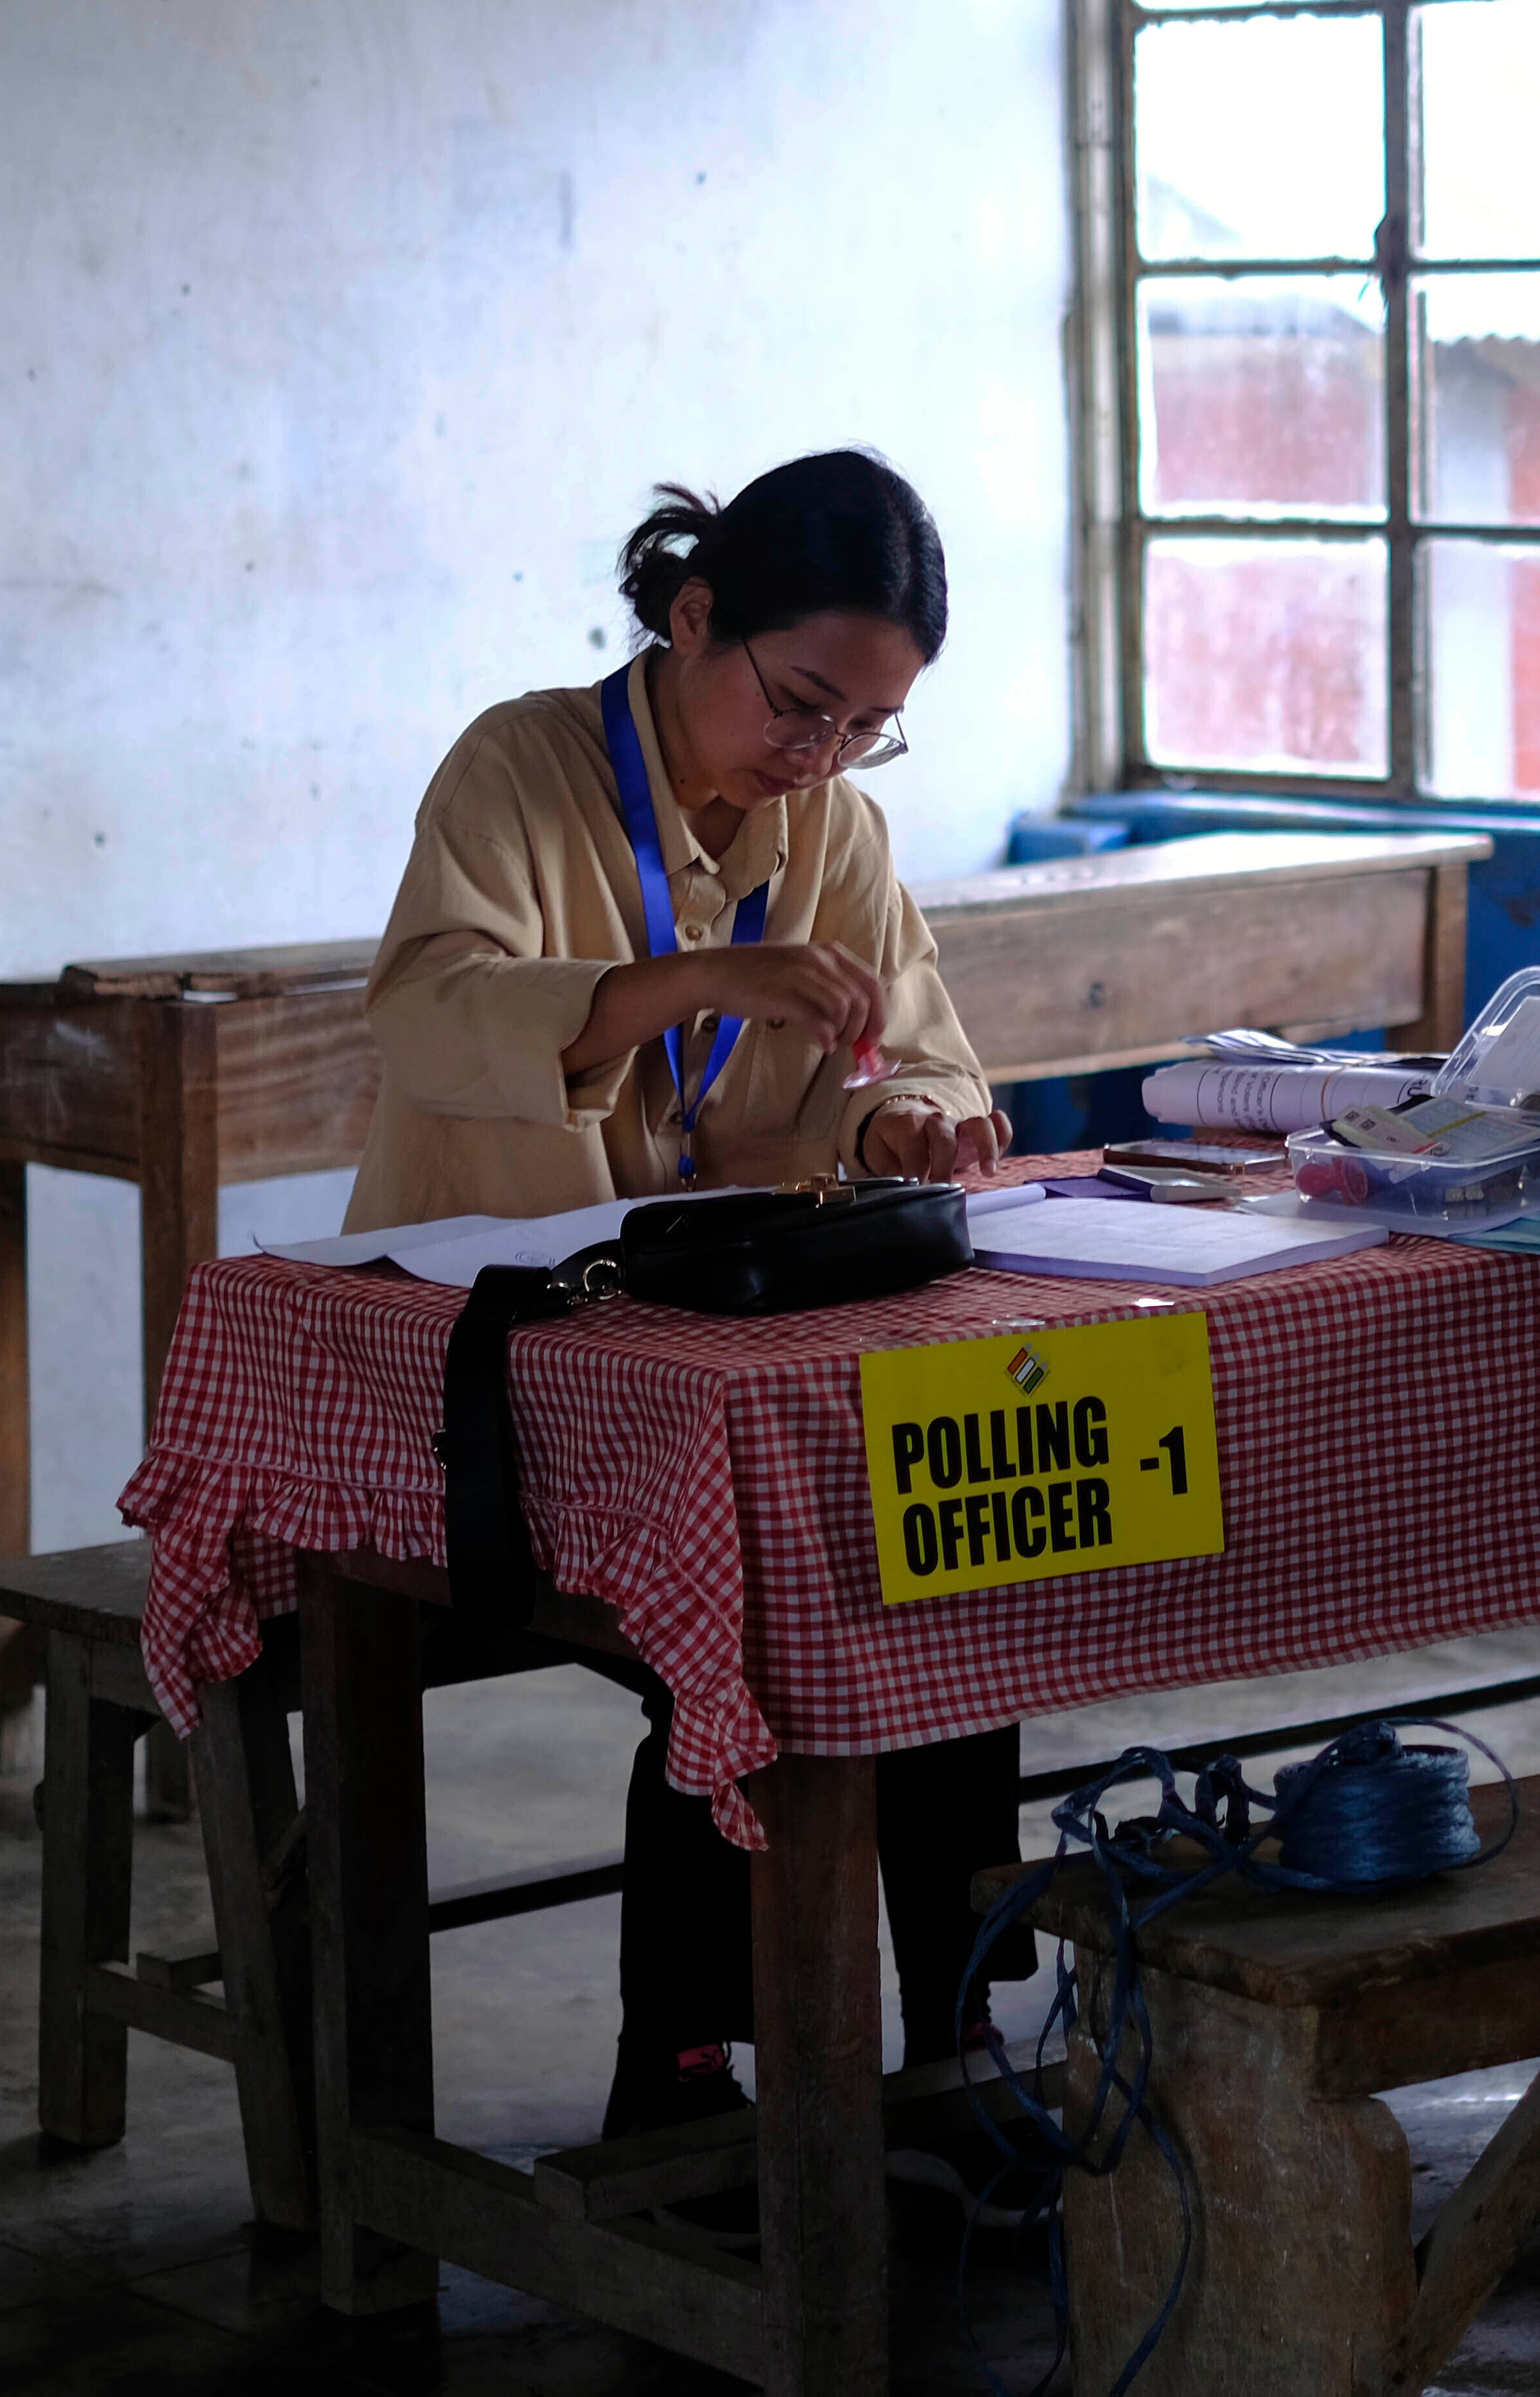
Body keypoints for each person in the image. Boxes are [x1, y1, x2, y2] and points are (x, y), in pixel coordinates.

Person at [350, 447, 1029, 2232]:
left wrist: (910, 1119)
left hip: (713, 1352)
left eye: (867, 728)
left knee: (953, 1556)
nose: (820, 755)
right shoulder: (522, 768)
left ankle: (961, 2040)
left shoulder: (834, 831)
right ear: (694, 615)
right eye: (799, 702)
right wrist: (691, 981)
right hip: (502, 1359)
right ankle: (676, 2076)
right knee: (760, 1595)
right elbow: (424, 1014)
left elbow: (917, 1047)